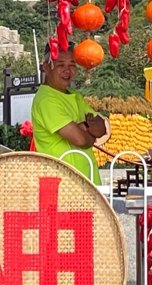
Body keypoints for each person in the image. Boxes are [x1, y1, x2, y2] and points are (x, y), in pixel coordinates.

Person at [29, 47, 109, 184]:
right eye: (60, 65)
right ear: (46, 67)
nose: (67, 70)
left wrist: (83, 127)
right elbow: (81, 140)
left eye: (72, 65)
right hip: (63, 185)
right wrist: (90, 131)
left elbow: (103, 126)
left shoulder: (75, 95)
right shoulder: (46, 100)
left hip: (87, 182)